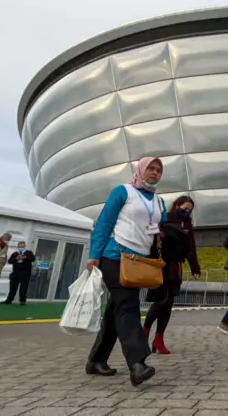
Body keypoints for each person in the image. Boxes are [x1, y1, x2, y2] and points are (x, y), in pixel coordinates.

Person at [86, 157, 167, 386]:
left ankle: (96, 360)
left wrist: (162, 232)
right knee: (128, 305)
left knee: (116, 310)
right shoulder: (123, 192)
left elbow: (162, 226)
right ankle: (137, 363)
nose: (154, 172)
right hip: (114, 256)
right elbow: (104, 223)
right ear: (141, 170)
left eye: (159, 169)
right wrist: (94, 255)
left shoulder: (159, 201)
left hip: (138, 262)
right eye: (150, 168)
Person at [143, 196, 201, 354]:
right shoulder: (164, 217)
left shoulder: (188, 224)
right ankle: (144, 333)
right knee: (161, 300)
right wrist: (158, 234)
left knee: (168, 304)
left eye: (189, 210)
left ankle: (159, 339)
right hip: (162, 264)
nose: (186, 211)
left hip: (176, 266)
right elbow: (148, 231)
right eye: (184, 208)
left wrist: (195, 268)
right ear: (176, 205)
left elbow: (191, 247)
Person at [1, 241, 35, 305]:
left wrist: (26, 257)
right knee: (12, 287)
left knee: (24, 287)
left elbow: (33, 259)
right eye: (20, 247)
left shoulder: (29, 253)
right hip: (15, 273)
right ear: (17, 247)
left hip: (25, 273)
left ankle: (22, 300)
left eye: (22, 247)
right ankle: (9, 300)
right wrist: (16, 258)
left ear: (25, 246)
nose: (21, 248)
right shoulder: (15, 254)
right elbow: (10, 261)